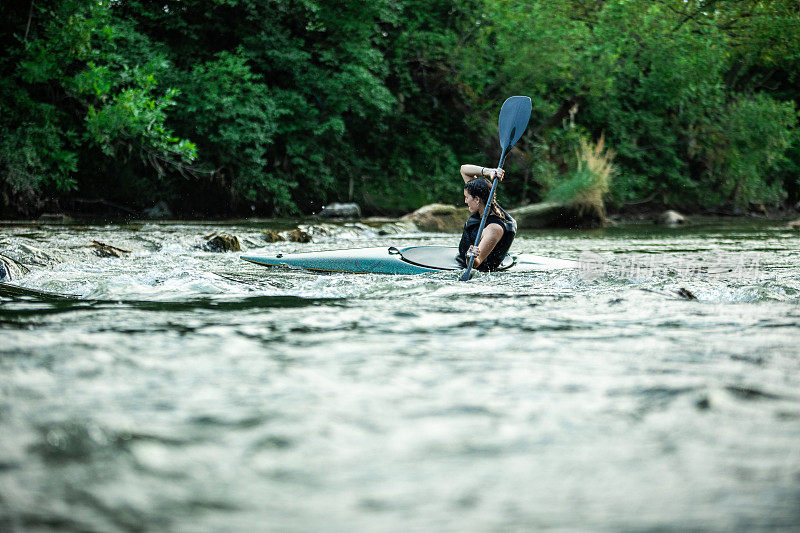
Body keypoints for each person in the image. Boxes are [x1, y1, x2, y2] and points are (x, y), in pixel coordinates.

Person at [458, 164, 517, 271]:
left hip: (483, 270)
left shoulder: (494, 228)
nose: (465, 201)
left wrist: (470, 257)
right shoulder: (481, 200)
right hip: (462, 260)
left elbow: (476, 264)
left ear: (477, 199)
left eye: (467, 197)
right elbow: (464, 169)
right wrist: (489, 172)